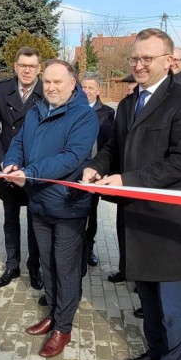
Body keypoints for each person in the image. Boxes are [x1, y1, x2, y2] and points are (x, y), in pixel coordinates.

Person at [83, 28, 181, 360]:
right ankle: (155, 354)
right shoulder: (127, 104)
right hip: (133, 218)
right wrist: (95, 166)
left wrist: (128, 179)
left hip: (167, 223)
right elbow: (113, 148)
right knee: (147, 300)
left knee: (171, 306)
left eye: (146, 59)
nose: (138, 65)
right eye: (135, 59)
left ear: (169, 61)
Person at [4, 59, 98, 358]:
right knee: (47, 264)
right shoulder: (35, 111)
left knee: (66, 268)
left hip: (68, 205)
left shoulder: (84, 116)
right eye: (48, 82)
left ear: (73, 84)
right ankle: (55, 314)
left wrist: (29, 172)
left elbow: (71, 158)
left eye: (58, 82)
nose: (52, 87)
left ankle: (63, 328)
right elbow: (18, 141)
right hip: (39, 203)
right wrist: (10, 161)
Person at [0, 47, 43, 290]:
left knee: (35, 221)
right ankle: (12, 265)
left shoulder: (46, 91)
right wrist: (3, 162)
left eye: (32, 66)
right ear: (15, 66)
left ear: (39, 68)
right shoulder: (1, 90)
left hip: (34, 169)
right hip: (8, 167)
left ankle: (34, 267)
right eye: (22, 65)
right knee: (10, 219)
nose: (27, 70)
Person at [80, 71, 115, 268]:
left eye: (90, 88)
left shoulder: (107, 113)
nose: (86, 92)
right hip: (74, 170)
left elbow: (109, 143)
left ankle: (89, 247)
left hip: (94, 171)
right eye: (83, 87)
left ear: (98, 90)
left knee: (91, 211)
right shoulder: (72, 108)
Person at [107, 73, 137, 284]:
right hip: (123, 183)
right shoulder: (125, 107)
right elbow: (114, 144)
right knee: (123, 228)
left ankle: (141, 278)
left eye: (132, 85)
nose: (128, 89)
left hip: (146, 186)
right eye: (127, 85)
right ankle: (125, 268)